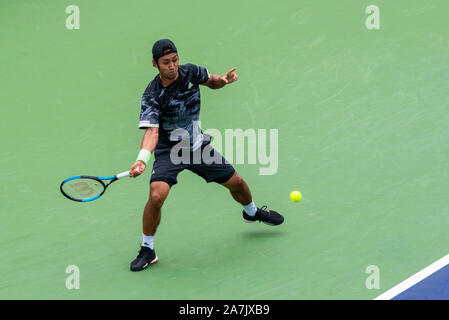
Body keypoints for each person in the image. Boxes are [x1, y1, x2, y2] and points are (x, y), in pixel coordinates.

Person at [128, 39, 284, 272]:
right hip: (170, 151)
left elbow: (211, 81)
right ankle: (147, 249)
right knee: (157, 195)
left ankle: (251, 213)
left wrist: (223, 80)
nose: (172, 66)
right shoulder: (152, 95)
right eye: (165, 63)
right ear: (155, 64)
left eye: (174, 60)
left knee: (237, 183)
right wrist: (142, 159)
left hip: (197, 146)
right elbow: (152, 131)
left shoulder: (190, 71)